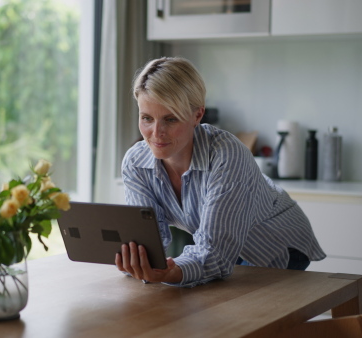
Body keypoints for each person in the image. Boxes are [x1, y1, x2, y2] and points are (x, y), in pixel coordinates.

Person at [116, 56, 326, 287]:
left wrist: (170, 273)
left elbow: (215, 252)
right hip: (224, 246)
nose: (156, 133)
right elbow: (149, 239)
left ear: (197, 115)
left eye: (170, 119)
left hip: (276, 244)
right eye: (147, 118)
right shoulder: (136, 162)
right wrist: (139, 261)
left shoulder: (226, 155)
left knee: (236, 315)